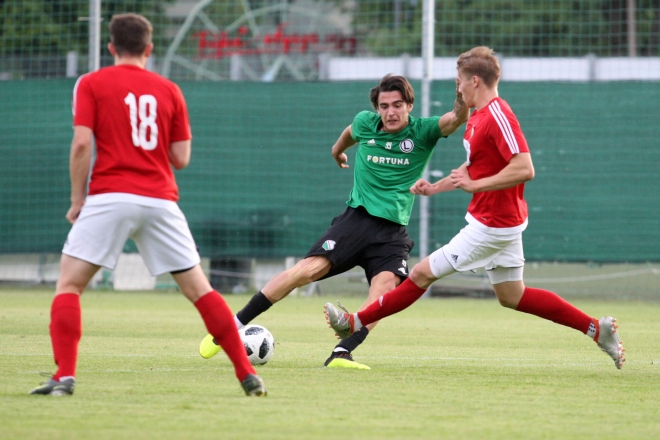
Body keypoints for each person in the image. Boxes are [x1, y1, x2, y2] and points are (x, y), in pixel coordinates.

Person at [325, 46, 625, 370]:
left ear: (476, 82)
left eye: (460, 81)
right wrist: (437, 187)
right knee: (513, 296)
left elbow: (525, 168)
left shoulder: (499, 115)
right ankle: (597, 329)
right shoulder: (477, 115)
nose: (458, 87)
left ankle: (356, 321)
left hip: (492, 224)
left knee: (422, 273)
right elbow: (473, 167)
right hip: (500, 220)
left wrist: (475, 187)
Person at [29, 13, 266, 397]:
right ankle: (245, 373)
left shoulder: (91, 83)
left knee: (69, 285)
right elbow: (181, 157)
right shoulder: (169, 89)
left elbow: (81, 145)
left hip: (110, 194)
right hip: (160, 200)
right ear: (150, 49)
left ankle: (64, 376)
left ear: (111, 48)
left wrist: (78, 199)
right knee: (200, 290)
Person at [199, 74, 470, 369]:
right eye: (384, 106)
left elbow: (456, 119)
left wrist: (460, 96)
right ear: (377, 108)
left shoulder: (423, 131)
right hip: (356, 220)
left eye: (397, 105)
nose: (390, 112)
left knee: (384, 292)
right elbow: (349, 133)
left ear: (409, 105)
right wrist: (337, 150)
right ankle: (227, 329)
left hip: (391, 232)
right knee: (306, 271)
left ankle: (342, 353)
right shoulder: (367, 123)